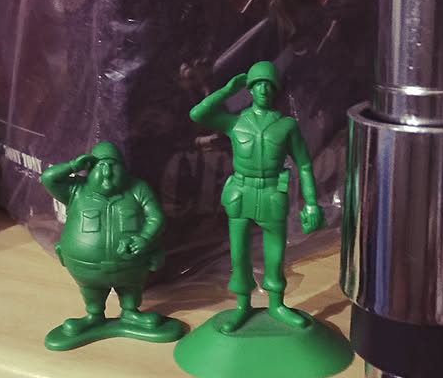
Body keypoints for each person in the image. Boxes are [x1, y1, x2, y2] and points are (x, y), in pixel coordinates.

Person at [190, 61, 324, 333]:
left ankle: (277, 304)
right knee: (239, 254)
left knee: (275, 253)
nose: (263, 89)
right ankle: (242, 305)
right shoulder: (235, 122)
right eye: (258, 84)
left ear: (275, 90)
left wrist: (311, 203)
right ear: (250, 89)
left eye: (268, 84)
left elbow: (304, 164)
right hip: (241, 192)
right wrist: (228, 90)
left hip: (272, 192)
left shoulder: (286, 125)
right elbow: (197, 114)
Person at [41, 141, 166, 336]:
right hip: (86, 267)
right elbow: (48, 179)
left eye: (113, 165)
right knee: (92, 292)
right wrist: (73, 166)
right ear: (90, 169)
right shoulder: (77, 190)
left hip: (131, 264)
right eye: (101, 165)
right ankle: (94, 316)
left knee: (131, 288)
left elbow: (155, 217)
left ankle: (130, 312)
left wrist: (144, 238)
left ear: (123, 168)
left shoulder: (137, 188)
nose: (107, 172)